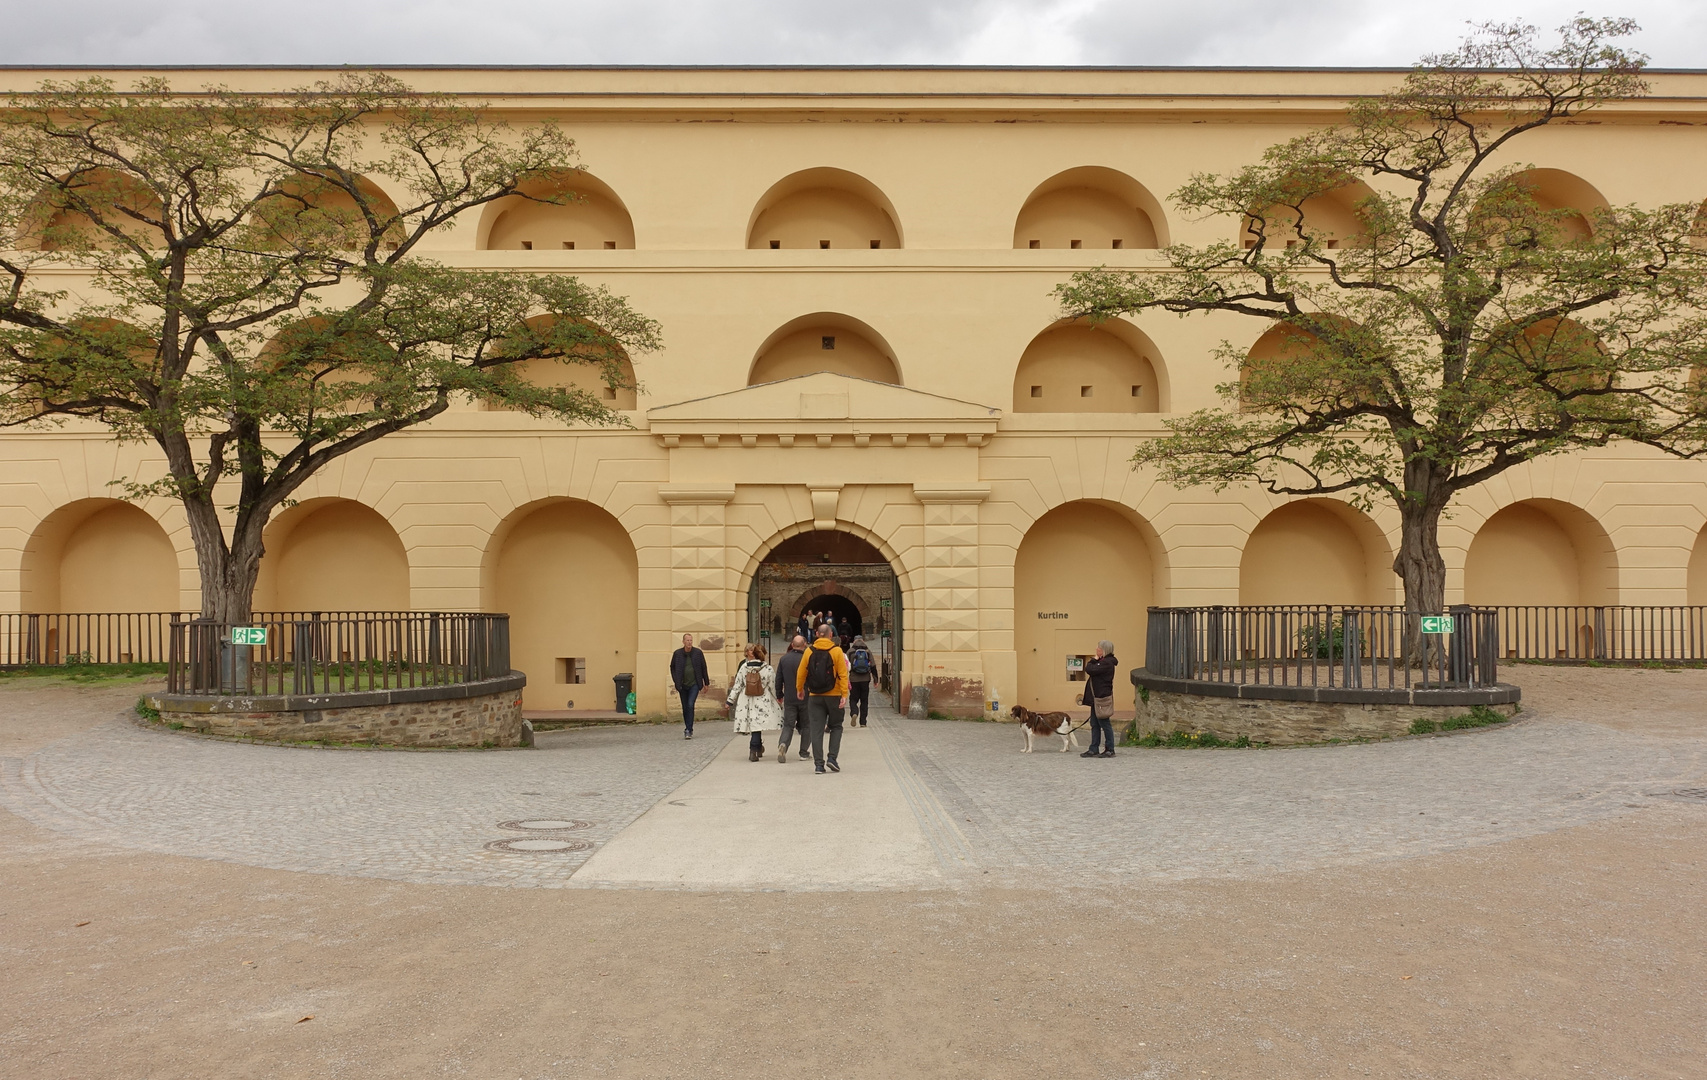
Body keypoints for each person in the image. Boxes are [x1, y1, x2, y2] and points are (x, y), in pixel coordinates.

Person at [795, 624, 849, 774]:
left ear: (817, 634)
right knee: (836, 726)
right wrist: (844, 694)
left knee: (816, 730)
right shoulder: (837, 651)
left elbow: (801, 672)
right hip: (834, 695)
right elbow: (843, 675)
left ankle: (819, 764)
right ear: (831, 635)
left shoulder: (809, 651)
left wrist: (800, 689)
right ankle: (832, 758)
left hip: (815, 696)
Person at [727, 644, 782, 761]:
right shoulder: (767, 669)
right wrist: (778, 698)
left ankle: (757, 748)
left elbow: (737, 685)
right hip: (762, 699)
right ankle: (754, 748)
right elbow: (772, 685)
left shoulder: (744, 667)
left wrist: (730, 701)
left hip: (746, 699)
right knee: (758, 724)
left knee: (754, 725)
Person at [774, 634, 811, 762]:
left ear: (792, 644)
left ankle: (783, 744)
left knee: (788, 725)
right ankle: (804, 752)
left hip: (789, 697)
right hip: (805, 697)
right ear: (804, 644)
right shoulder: (807, 659)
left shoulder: (784, 659)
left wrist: (779, 695)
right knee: (807, 725)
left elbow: (778, 679)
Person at [669, 632, 711, 740]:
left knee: (690, 704)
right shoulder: (677, 654)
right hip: (682, 685)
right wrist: (676, 680)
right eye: (687, 640)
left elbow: (703, 667)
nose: (689, 642)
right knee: (685, 707)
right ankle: (687, 727)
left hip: (695, 684)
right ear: (683, 642)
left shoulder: (698, 653)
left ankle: (689, 729)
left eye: (691, 640)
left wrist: (706, 683)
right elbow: (672, 667)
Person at [1081, 640, 1118, 759]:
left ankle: (1110, 749)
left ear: (1103, 650)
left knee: (1104, 723)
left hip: (1101, 698)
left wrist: (1094, 659)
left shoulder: (1107, 663)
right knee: (1095, 723)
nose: (1096, 649)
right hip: (1095, 698)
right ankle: (1094, 748)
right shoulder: (1102, 662)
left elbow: (1089, 669)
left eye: (1099, 648)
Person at [845, 634, 874, 727]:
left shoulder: (850, 651)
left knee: (853, 699)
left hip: (854, 679)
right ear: (863, 641)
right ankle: (863, 722)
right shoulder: (867, 651)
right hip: (865, 679)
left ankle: (854, 712)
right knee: (864, 700)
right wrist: (876, 679)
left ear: (854, 641)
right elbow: (873, 665)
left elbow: (845, 666)